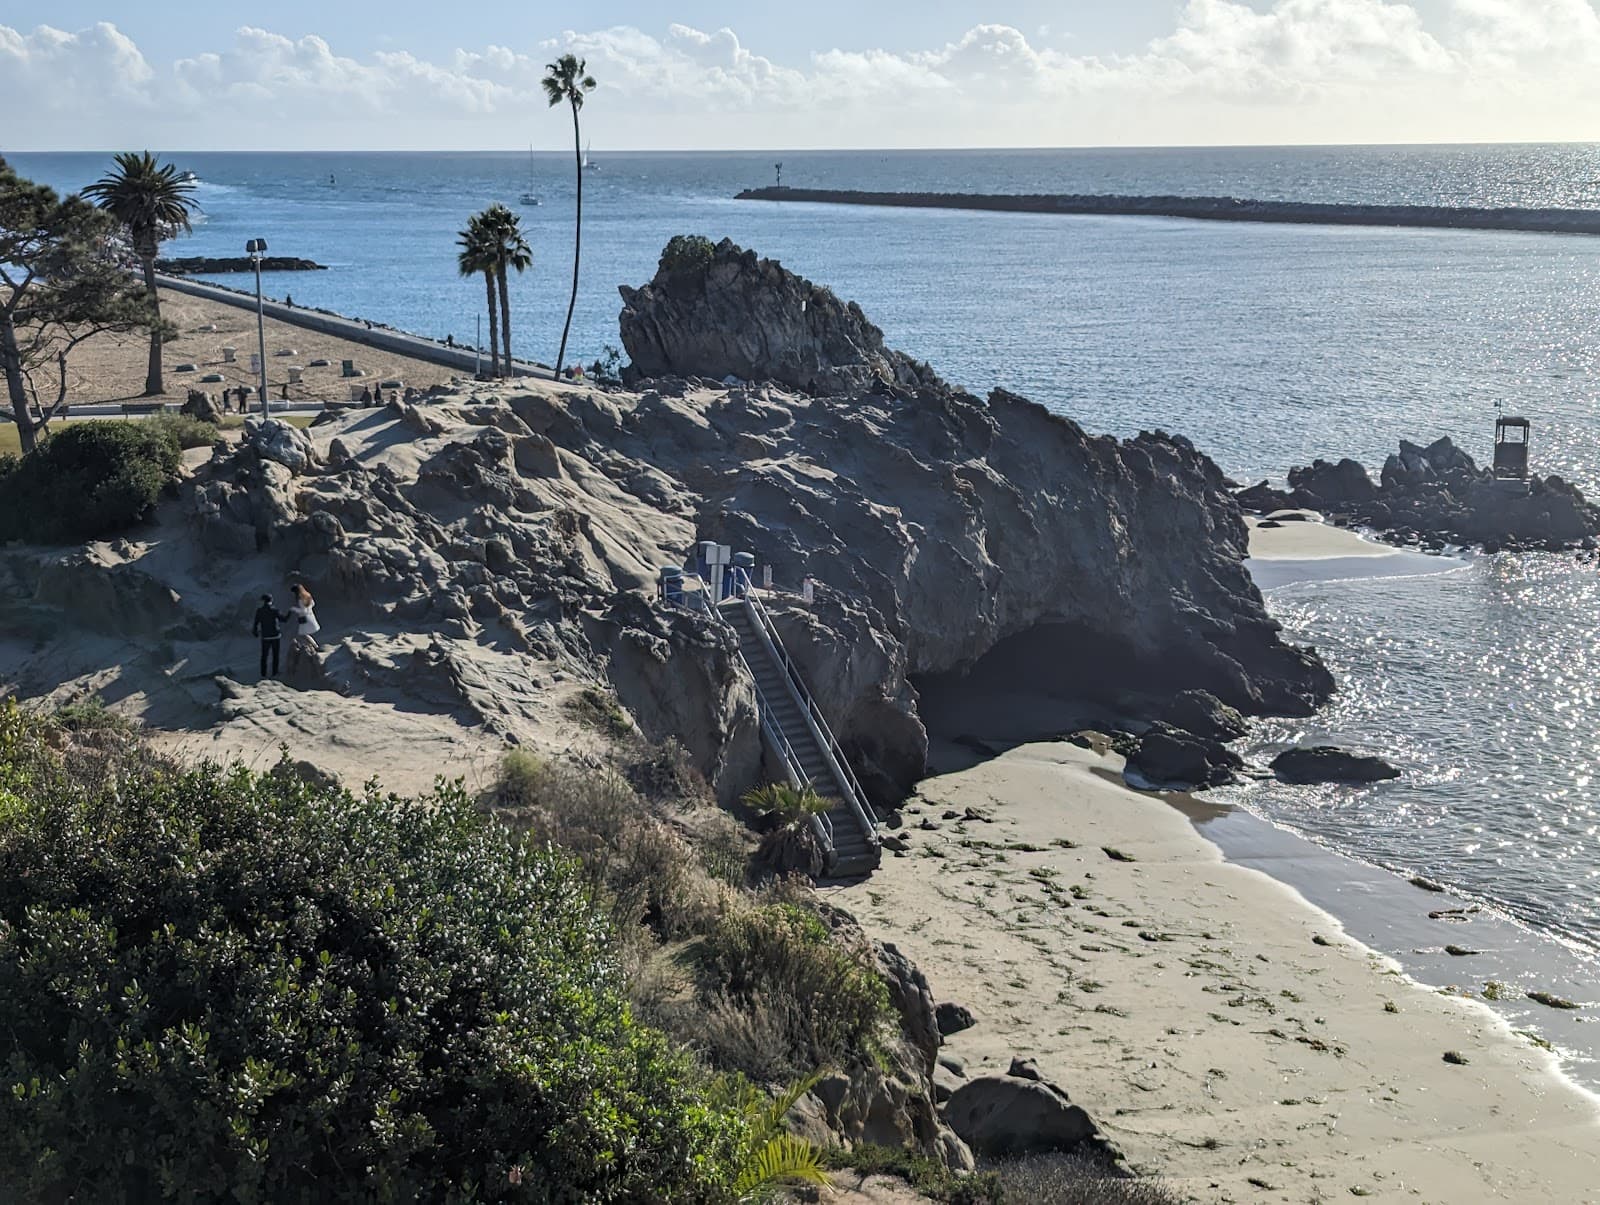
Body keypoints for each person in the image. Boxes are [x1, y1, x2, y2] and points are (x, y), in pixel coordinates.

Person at [285, 583, 321, 673]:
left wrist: (293, 609)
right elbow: (313, 604)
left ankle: (315, 646)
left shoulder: (300, 599)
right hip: (310, 616)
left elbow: (302, 610)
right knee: (304, 634)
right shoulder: (308, 595)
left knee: (303, 634)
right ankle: (313, 646)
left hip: (305, 618)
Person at [252, 594, 285, 678]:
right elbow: (284, 619)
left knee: (264, 656)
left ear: (263, 601)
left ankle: (263, 674)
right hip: (275, 636)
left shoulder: (259, 611)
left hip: (265, 637)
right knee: (275, 655)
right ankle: (275, 673)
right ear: (271, 600)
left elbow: (256, 623)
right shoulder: (275, 610)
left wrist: (255, 632)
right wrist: (290, 612)